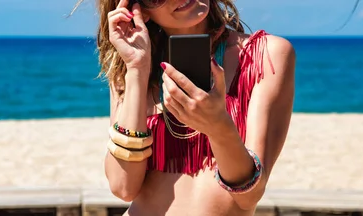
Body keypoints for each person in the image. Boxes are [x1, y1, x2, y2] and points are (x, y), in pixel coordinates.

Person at [75, 0, 295, 215]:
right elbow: (123, 187)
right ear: (137, 8)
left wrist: (218, 126)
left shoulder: (264, 54)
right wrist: (136, 69)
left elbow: (248, 196)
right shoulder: (129, 67)